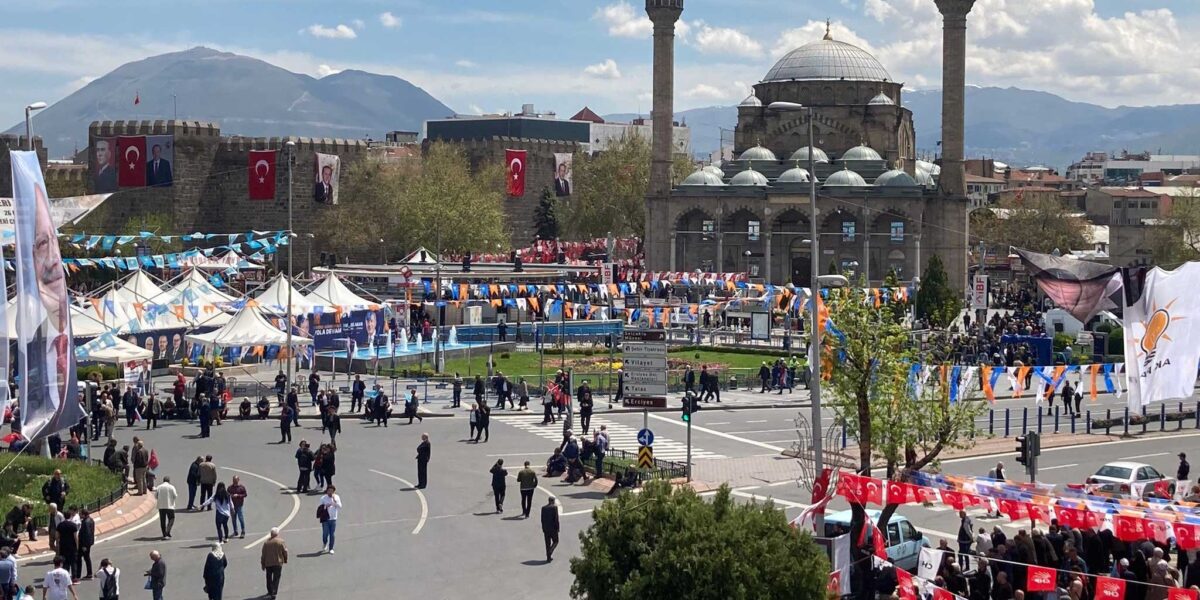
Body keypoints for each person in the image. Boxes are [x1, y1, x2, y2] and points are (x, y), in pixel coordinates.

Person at [260, 528, 287, 599]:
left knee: (268, 578)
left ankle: (270, 591)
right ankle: (274, 592)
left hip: (268, 563)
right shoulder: (281, 541)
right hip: (278, 562)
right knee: (276, 578)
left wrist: (262, 564)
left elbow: (263, 554)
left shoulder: (266, 543)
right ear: (277, 534)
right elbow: (285, 551)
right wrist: (285, 559)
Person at [54, 509, 79, 581]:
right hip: (72, 546)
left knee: (65, 563)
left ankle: (66, 577)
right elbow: (76, 537)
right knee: (73, 562)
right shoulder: (73, 525)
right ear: (70, 516)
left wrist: (58, 547)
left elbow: (57, 537)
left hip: (63, 546)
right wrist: (77, 546)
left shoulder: (60, 525)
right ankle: (74, 577)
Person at [318, 486, 341, 554]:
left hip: (333, 518)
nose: (330, 492)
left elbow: (340, 506)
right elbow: (320, 508)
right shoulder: (323, 498)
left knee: (332, 534)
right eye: (329, 491)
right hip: (325, 518)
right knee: (325, 533)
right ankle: (325, 543)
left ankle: (331, 548)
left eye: (332, 491)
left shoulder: (336, 497)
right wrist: (325, 506)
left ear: (334, 491)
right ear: (327, 491)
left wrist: (334, 502)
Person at [541, 498, 560, 562]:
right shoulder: (554, 508)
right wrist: (557, 528)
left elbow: (542, 519)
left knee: (547, 543)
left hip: (546, 528)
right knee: (556, 541)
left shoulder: (543, 508)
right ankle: (550, 552)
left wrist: (543, 528)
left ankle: (548, 558)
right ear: (553, 501)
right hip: (553, 528)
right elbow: (556, 519)